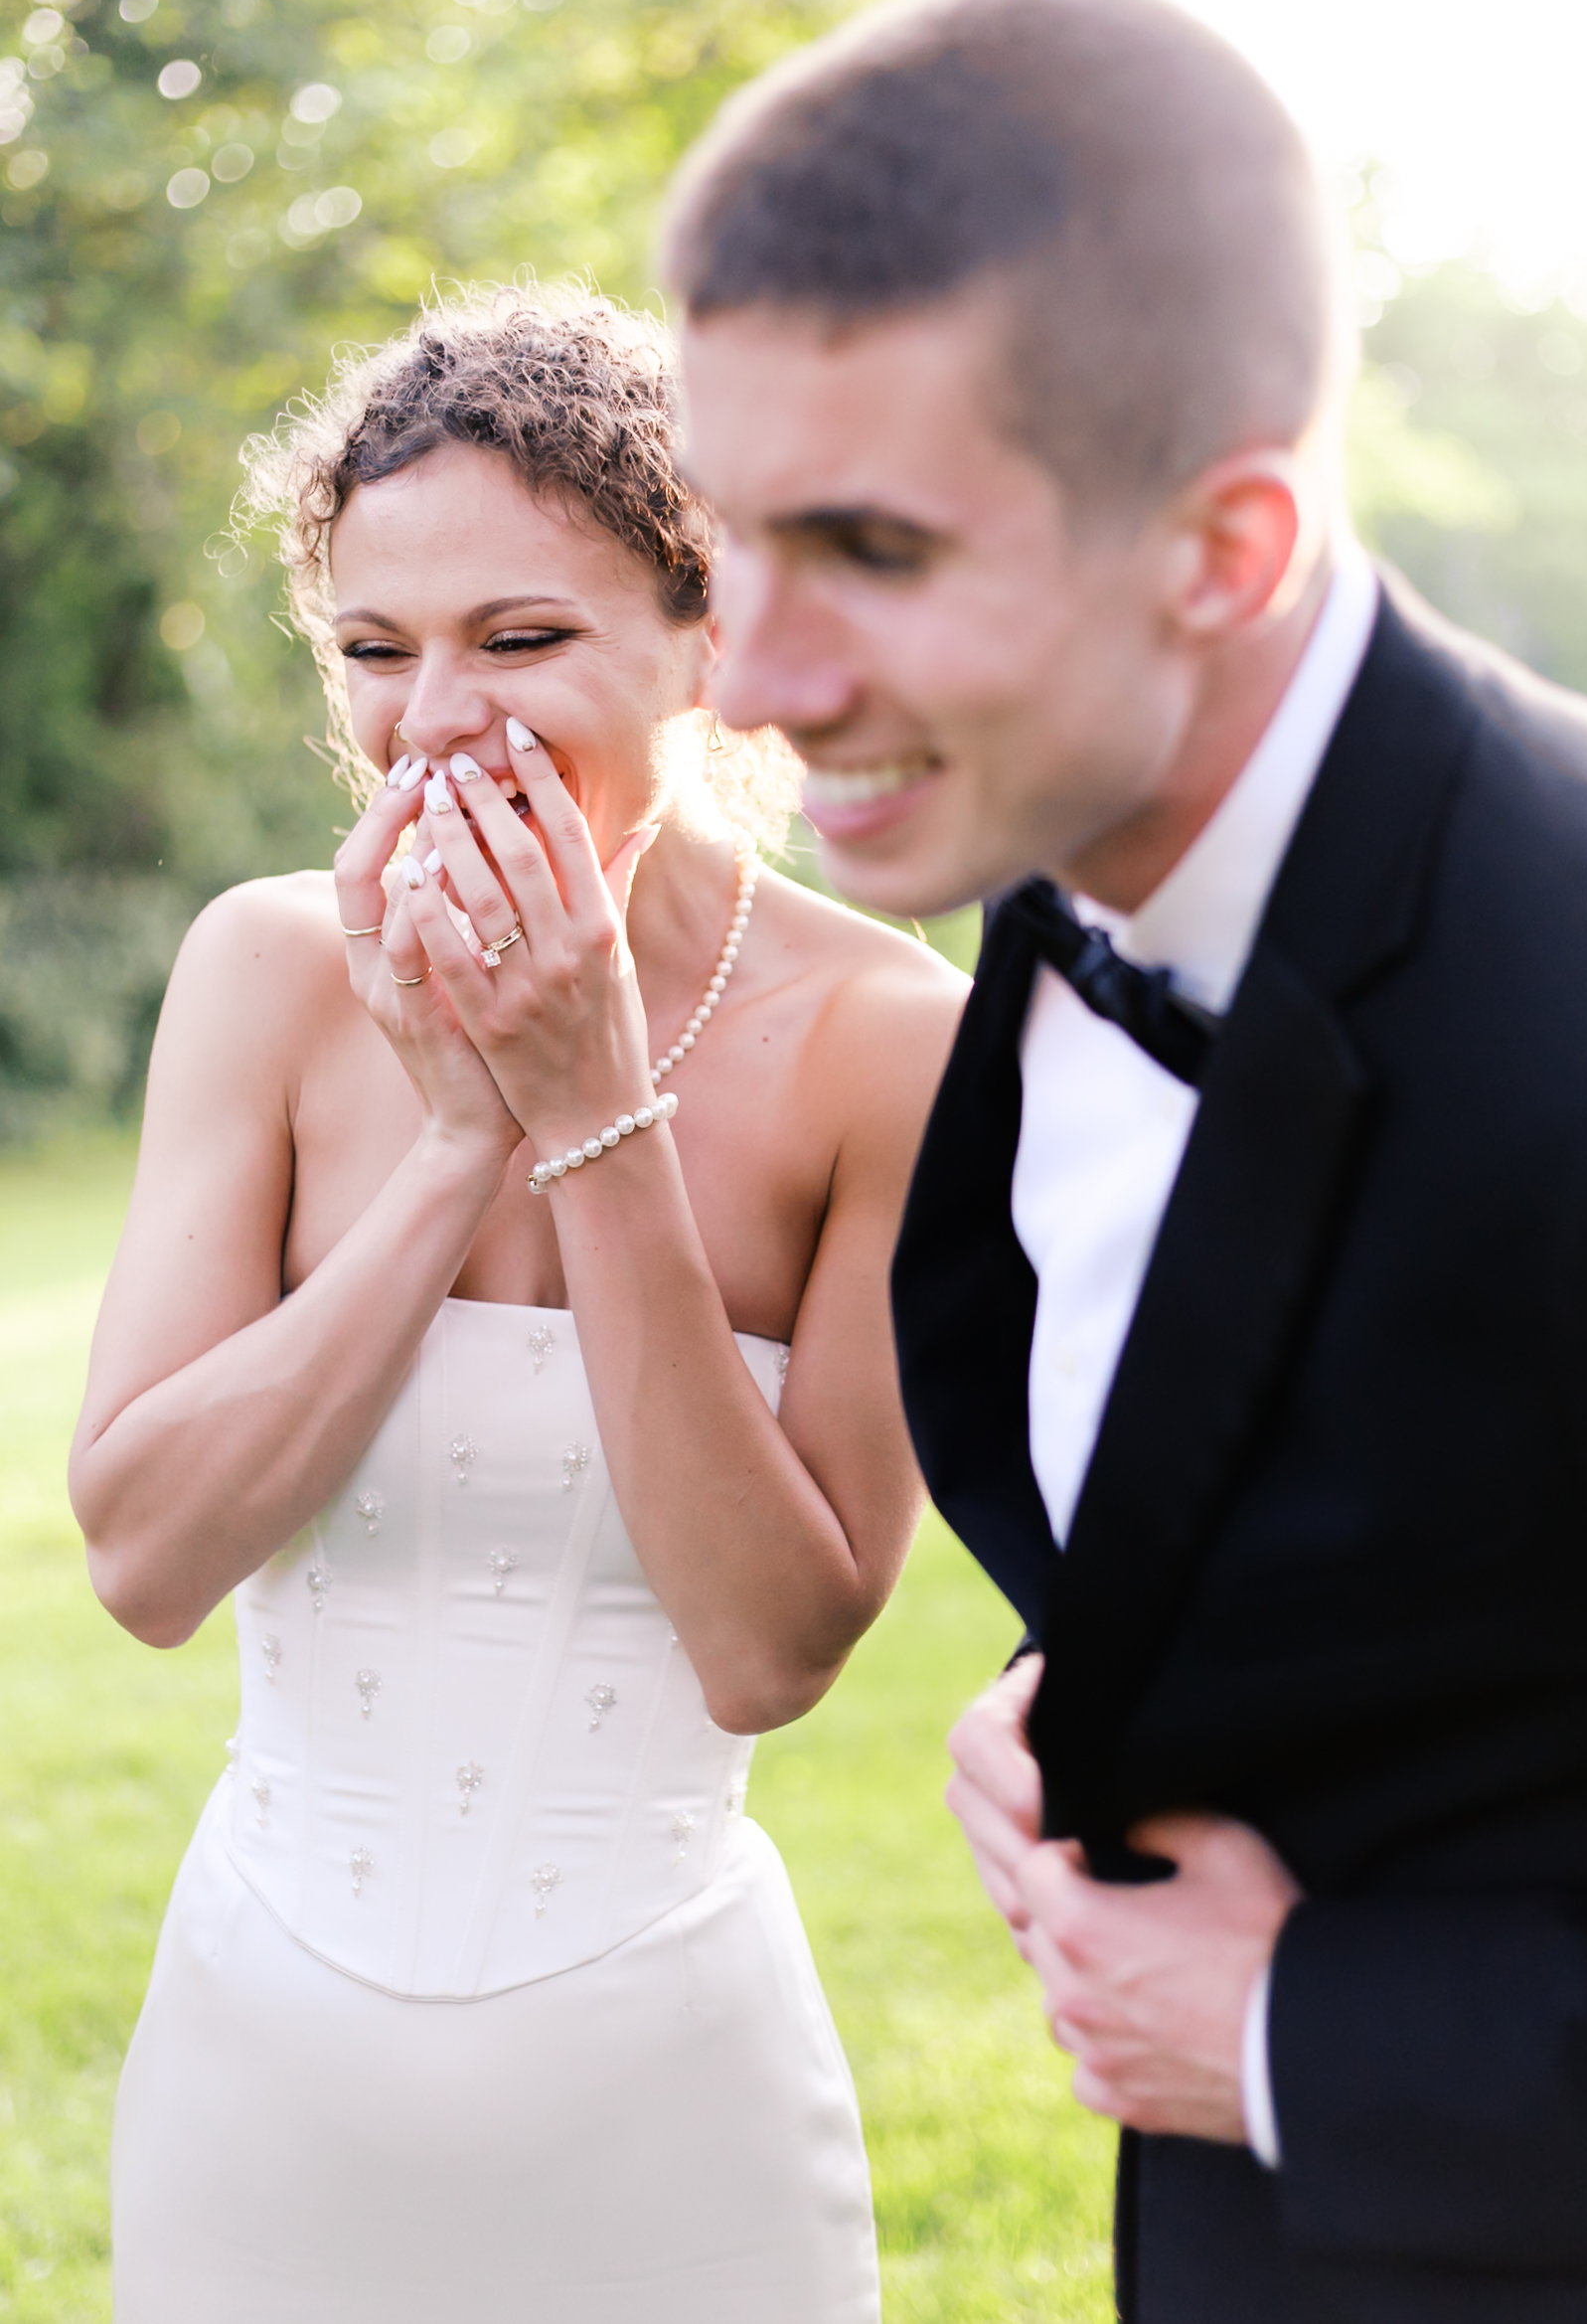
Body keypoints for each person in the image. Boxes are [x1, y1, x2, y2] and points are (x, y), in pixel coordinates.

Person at [666, 0, 1587, 2320]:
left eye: (875, 551)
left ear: (1220, 547)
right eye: (730, 534)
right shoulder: (1051, 843)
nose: (747, 678)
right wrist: (1124, 1677)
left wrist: (1294, 2035)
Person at [70, 285, 964, 2322]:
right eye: (375, 650)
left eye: (522, 637)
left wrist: (592, 1103)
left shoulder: (888, 1042)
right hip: (259, 2087)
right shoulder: (267, 970)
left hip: (667, 2111)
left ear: (709, 636)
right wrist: (460, 1137)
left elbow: (767, 1644)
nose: (436, 713)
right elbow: (143, 1553)